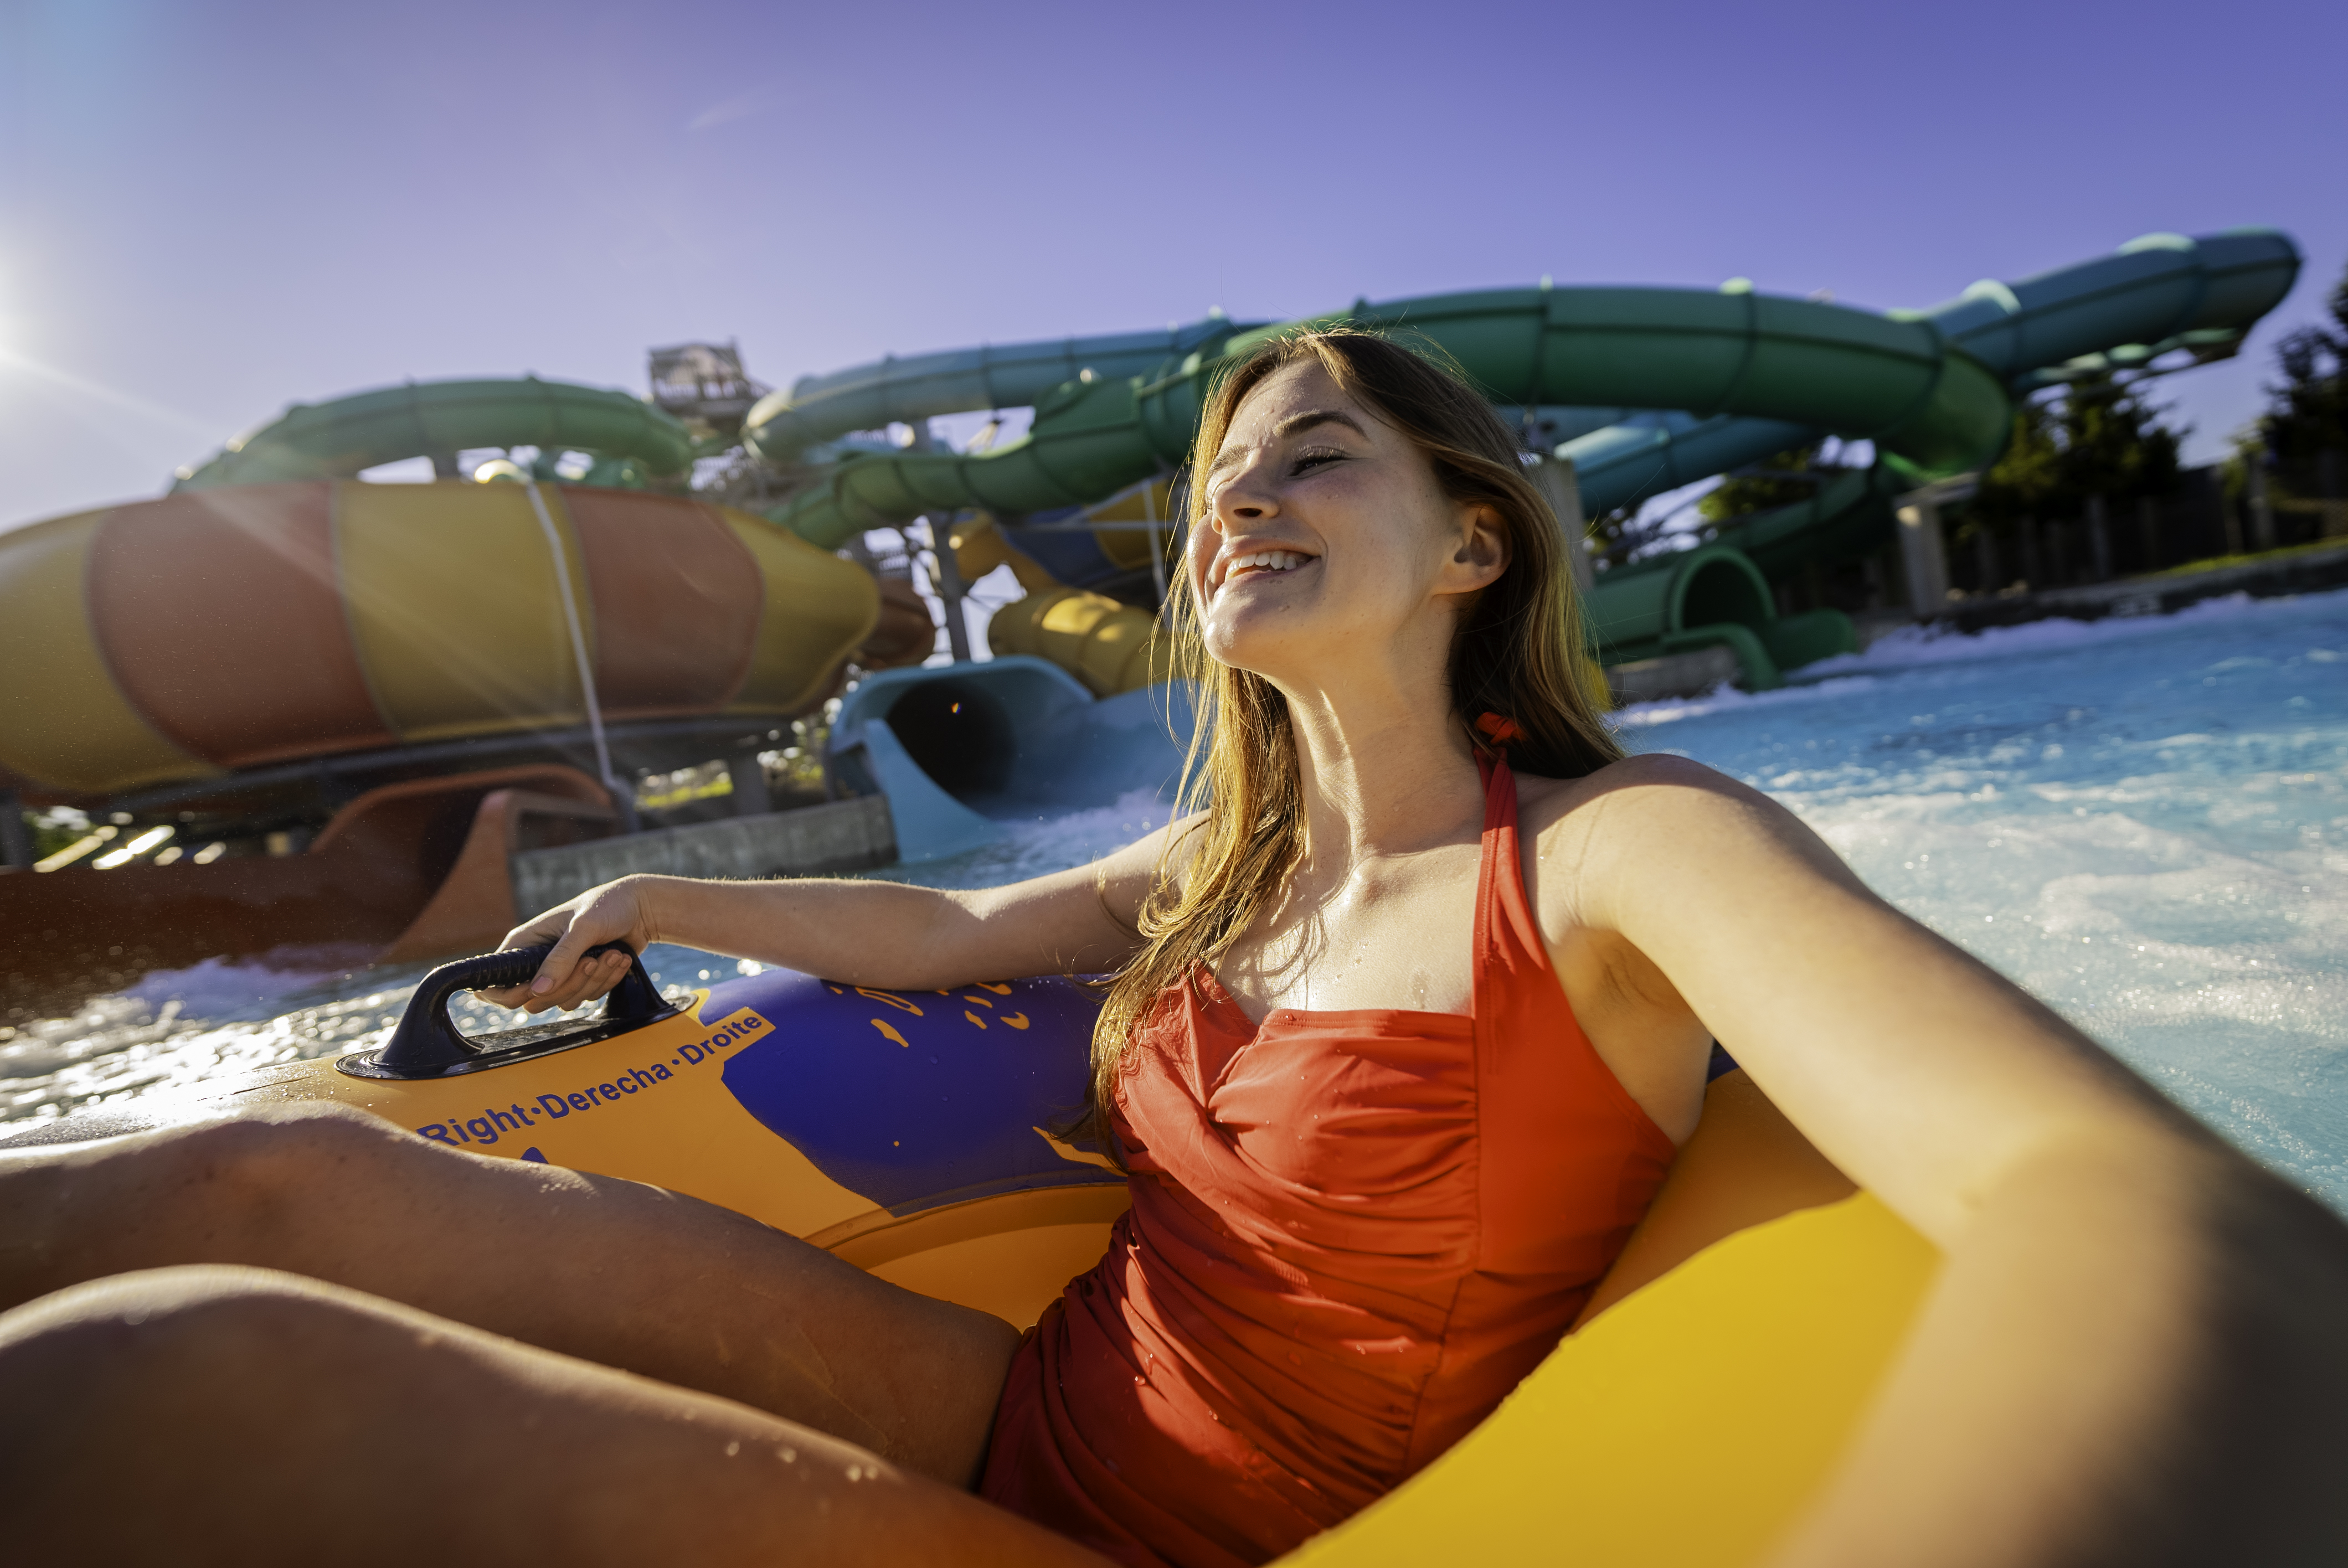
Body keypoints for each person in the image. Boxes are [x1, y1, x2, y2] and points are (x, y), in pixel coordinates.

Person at [3, 329, 2345, 1568]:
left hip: (1213, 1533)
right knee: (266, 1194)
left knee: (188, 1373)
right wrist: (648, 897)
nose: (1240, 496)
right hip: (1020, 1405)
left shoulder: (1628, 857)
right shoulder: (1224, 861)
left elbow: (2120, 1207)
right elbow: (951, 926)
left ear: (1468, 549)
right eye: (1223, 475)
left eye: (1313, 457)